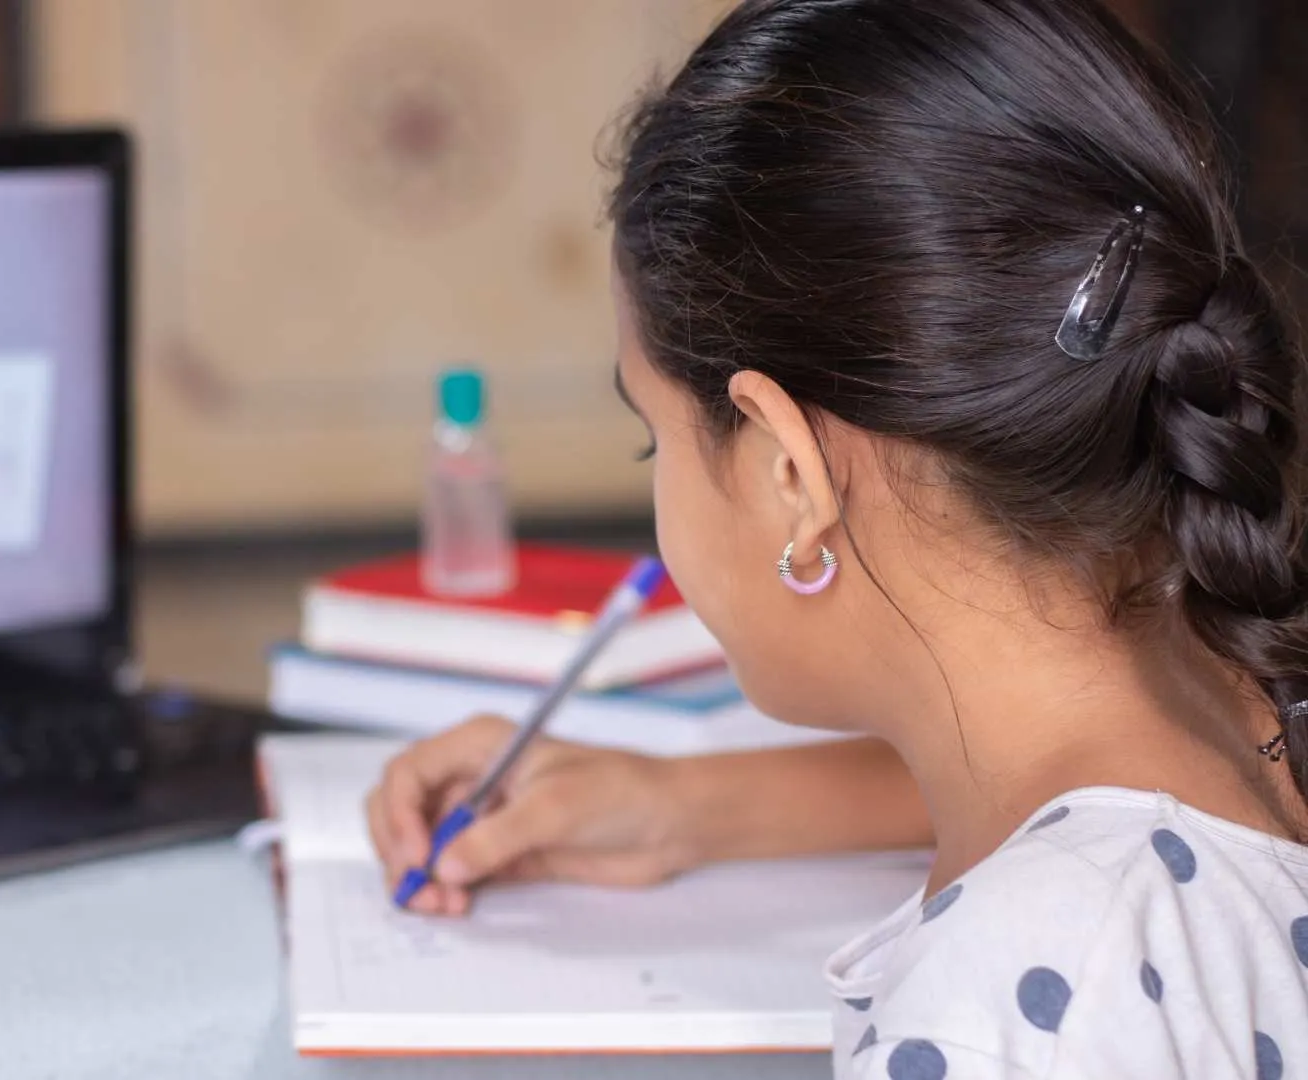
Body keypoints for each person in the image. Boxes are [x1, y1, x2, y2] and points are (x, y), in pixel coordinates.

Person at [365, 0, 1308, 1075]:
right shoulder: (1244, 674)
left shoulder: (1007, 1011)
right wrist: (684, 807)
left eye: (654, 441)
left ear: (787, 472)